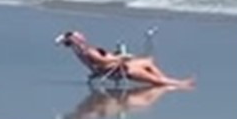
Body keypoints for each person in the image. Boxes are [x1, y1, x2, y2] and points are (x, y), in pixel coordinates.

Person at [55, 31, 193, 89]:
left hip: (117, 65)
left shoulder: (83, 51)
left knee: (148, 61)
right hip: (118, 69)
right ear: (77, 40)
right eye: (78, 35)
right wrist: (121, 57)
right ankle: (179, 84)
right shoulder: (88, 51)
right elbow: (104, 62)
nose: (82, 35)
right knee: (151, 76)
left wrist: (119, 57)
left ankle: (166, 81)